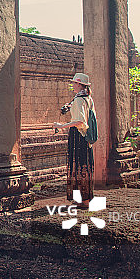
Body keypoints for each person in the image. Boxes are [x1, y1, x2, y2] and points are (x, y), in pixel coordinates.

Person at [53, 73, 94, 207]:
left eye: (74, 83)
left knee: (78, 166)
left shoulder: (78, 100)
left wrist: (61, 125)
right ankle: (84, 198)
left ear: (79, 85)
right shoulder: (87, 98)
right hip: (86, 136)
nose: (73, 85)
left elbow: (80, 120)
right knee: (84, 165)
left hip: (78, 136)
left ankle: (84, 200)